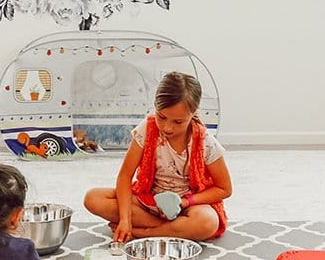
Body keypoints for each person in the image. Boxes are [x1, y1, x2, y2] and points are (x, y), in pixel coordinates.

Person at [84, 71, 232, 242]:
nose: (167, 128)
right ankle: (171, 229)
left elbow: (224, 189)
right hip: (149, 202)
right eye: (162, 117)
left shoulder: (205, 142)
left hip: (186, 207)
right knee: (93, 198)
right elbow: (125, 176)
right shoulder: (147, 129)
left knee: (208, 222)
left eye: (178, 122)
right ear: (155, 106)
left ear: (193, 113)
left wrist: (186, 201)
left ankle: (144, 233)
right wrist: (125, 219)